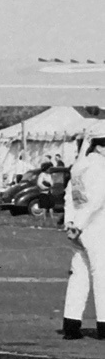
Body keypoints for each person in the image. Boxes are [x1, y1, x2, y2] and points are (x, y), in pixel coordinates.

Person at [62, 136, 105, 340]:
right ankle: (104, 325)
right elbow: (97, 199)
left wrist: (71, 222)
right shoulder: (101, 167)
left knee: (79, 274)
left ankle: (71, 323)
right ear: (99, 147)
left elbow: (70, 196)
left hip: (79, 227)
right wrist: (78, 224)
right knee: (102, 275)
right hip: (98, 225)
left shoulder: (79, 167)